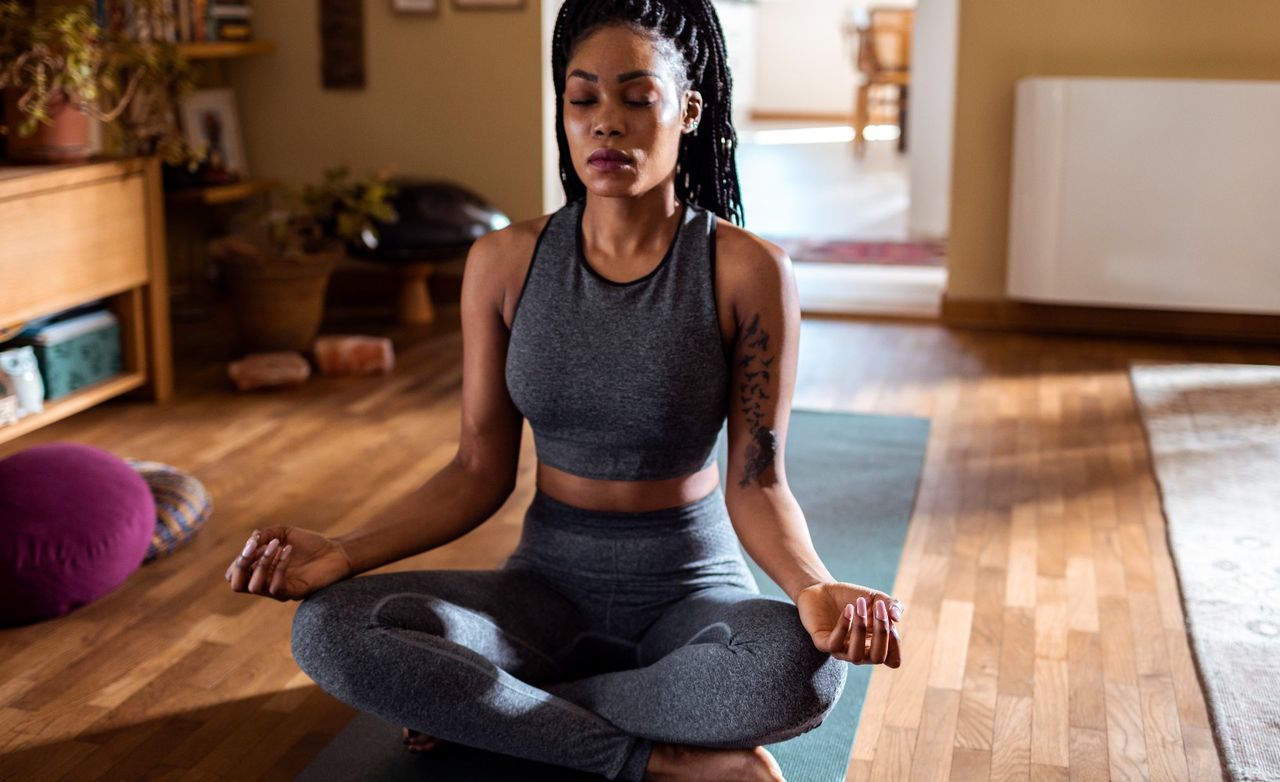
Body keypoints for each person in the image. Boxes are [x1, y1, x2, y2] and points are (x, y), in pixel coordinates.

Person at [224, 0, 905, 778]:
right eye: (582, 99)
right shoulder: (504, 262)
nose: (605, 123)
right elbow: (477, 469)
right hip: (543, 591)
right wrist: (343, 553)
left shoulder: (744, 269)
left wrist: (812, 589)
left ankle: (503, 705)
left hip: (691, 593)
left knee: (802, 670)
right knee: (329, 629)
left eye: (636, 98)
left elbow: (760, 483)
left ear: (688, 109)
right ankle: (656, 761)